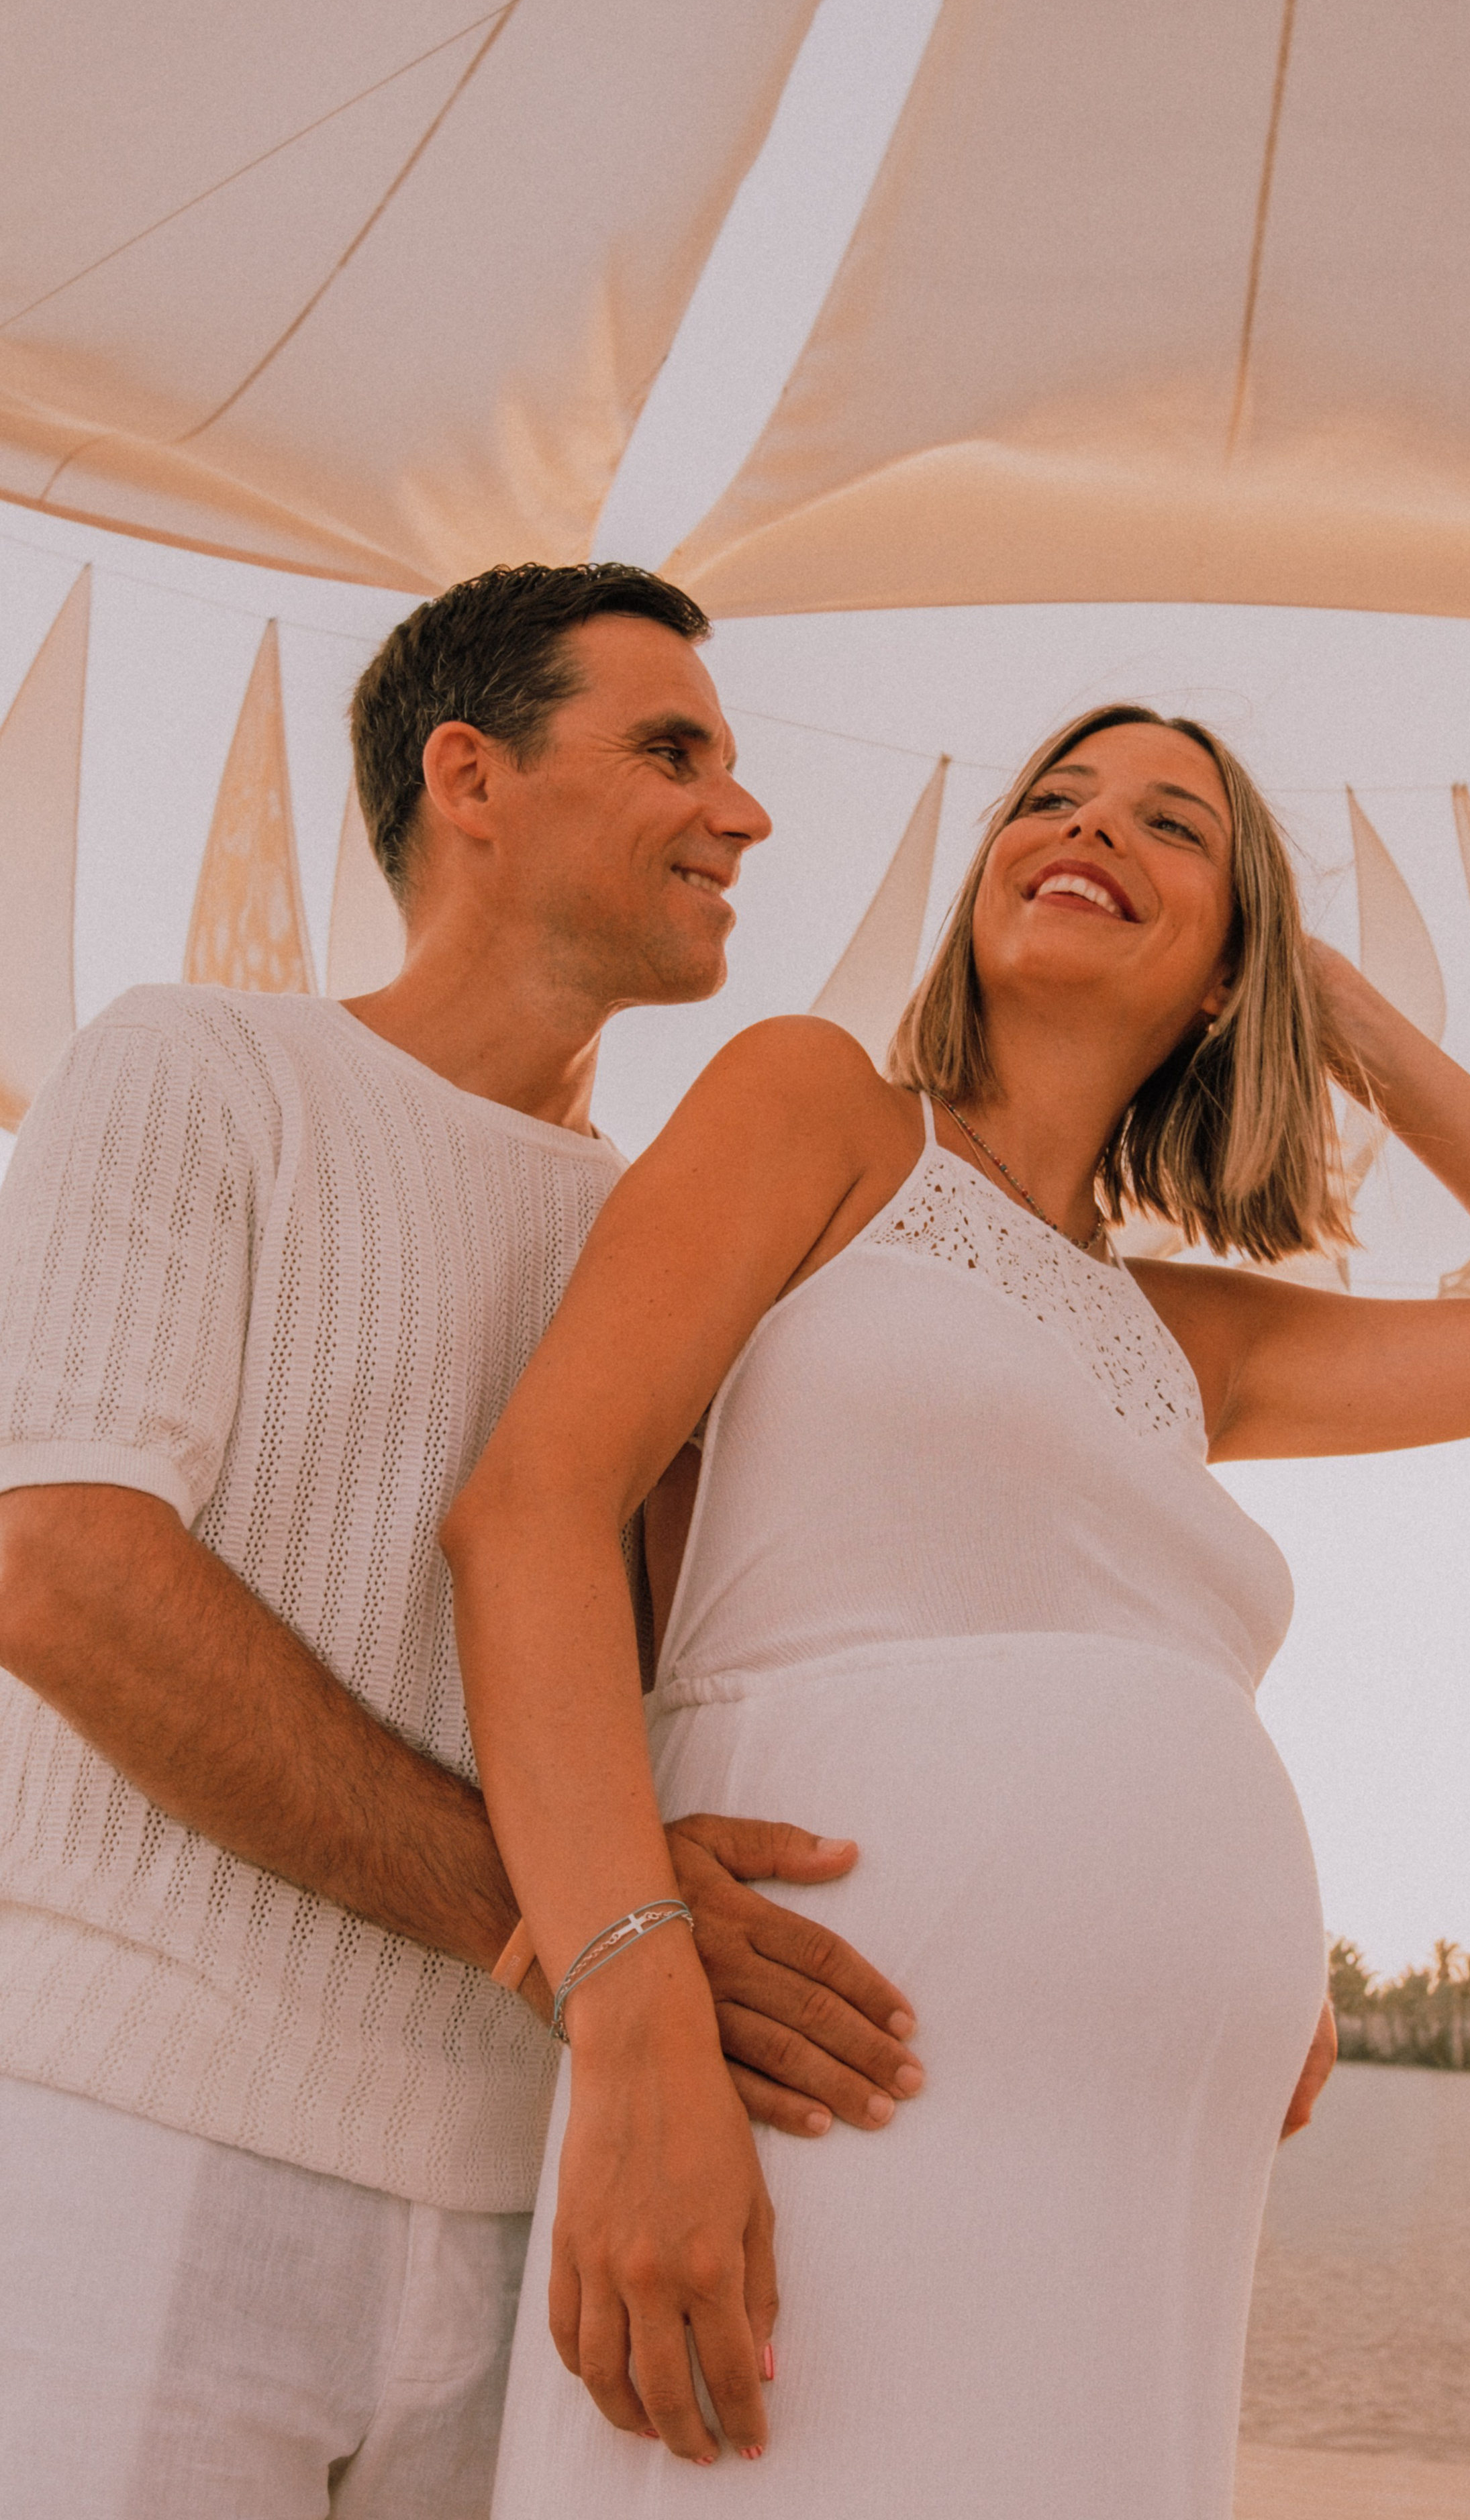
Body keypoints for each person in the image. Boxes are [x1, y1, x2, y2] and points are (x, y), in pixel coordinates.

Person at [444, 702, 1470, 2519]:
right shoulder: (819, 1111)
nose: (1095, 827)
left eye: (1173, 828)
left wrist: (1337, 1012)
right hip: (829, 2062)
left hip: (1143, 2167)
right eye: (1054, 798)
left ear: (1228, 973)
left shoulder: (1196, 1339)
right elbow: (530, 1511)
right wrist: (626, 1993)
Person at [0, 564, 933, 2519]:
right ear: (471, 777)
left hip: (545, 2228)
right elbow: (60, 1566)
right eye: (671, 750)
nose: (743, 814)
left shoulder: (681, 1254)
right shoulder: (198, 1068)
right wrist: (585, 1935)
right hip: (121, 2139)